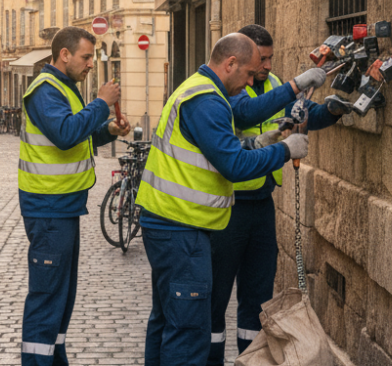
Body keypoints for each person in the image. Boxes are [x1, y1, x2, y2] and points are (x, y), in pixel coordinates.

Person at [135, 33, 326, 366]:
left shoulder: (199, 89)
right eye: (250, 74)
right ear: (230, 64)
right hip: (181, 228)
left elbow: (215, 150)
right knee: (188, 329)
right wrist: (283, 150)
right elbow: (234, 167)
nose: (252, 82)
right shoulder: (207, 100)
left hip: (170, 224)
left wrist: (256, 143)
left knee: (166, 320)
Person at [208, 24, 341, 364]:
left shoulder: (271, 83)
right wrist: (295, 85)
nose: (265, 67)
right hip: (229, 207)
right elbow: (247, 113)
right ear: (240, 60)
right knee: (216, 296)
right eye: (259, 61)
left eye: (268, 59)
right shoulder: (230, 88)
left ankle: (250, 359)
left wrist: (333, 110)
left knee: (257, 295)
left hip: (261, 204)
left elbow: (301, 116)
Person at [19, 26, 131, 366]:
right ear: (64, 55)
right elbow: (65, 134)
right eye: (85, 57)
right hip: (48, 207)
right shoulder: (45, 90)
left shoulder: (65, 88)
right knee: (47, 298)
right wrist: (101, 103)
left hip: (64, 207)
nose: (90, 65)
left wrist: (107, 129)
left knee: (61, 298)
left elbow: (78, 136)